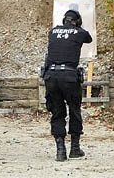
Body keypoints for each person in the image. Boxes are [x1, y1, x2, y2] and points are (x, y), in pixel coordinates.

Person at [42, 9, 92, 162]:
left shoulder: (52, 32)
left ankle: (60, 150)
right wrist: (76, 27)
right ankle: (75, 149)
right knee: (74, 110)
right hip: (69, 76)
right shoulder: (79, 32)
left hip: (51, 76)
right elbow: (88, 38)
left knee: (57, 112)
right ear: (76, 21)